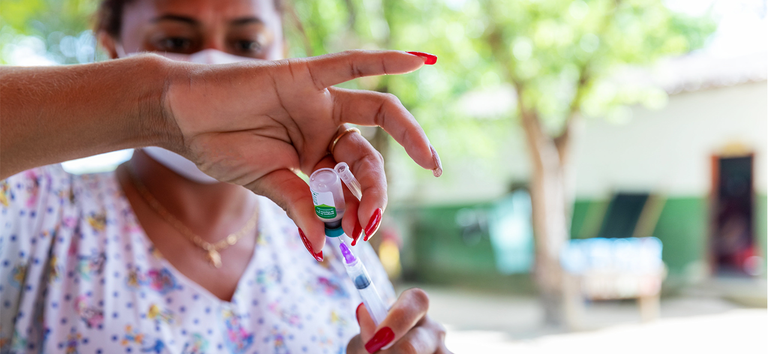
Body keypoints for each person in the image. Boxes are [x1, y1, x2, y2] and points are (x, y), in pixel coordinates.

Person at [0, 0, 450, 352]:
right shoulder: (39, 211)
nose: (216, 68)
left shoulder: (329, 242)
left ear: (283, 53)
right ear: (113, 50)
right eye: (175, 42)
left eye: (248, 45)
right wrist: (158, 100)